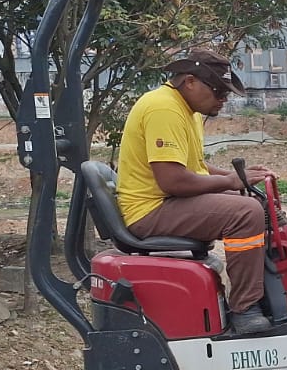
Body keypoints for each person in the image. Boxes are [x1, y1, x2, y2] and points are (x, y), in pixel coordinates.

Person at [114, 47, 274, 335]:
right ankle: (246, 309)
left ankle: (269, 296)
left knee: (258, 204)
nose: (223, 99)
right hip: (150, 209)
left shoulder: (185, 109)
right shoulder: (164, 109)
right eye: (218, 91)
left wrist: (238, 178)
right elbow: (174, 181)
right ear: (190, 81)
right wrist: (230, 182)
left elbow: (194, 167)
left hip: (167, 202)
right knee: (246, 212)